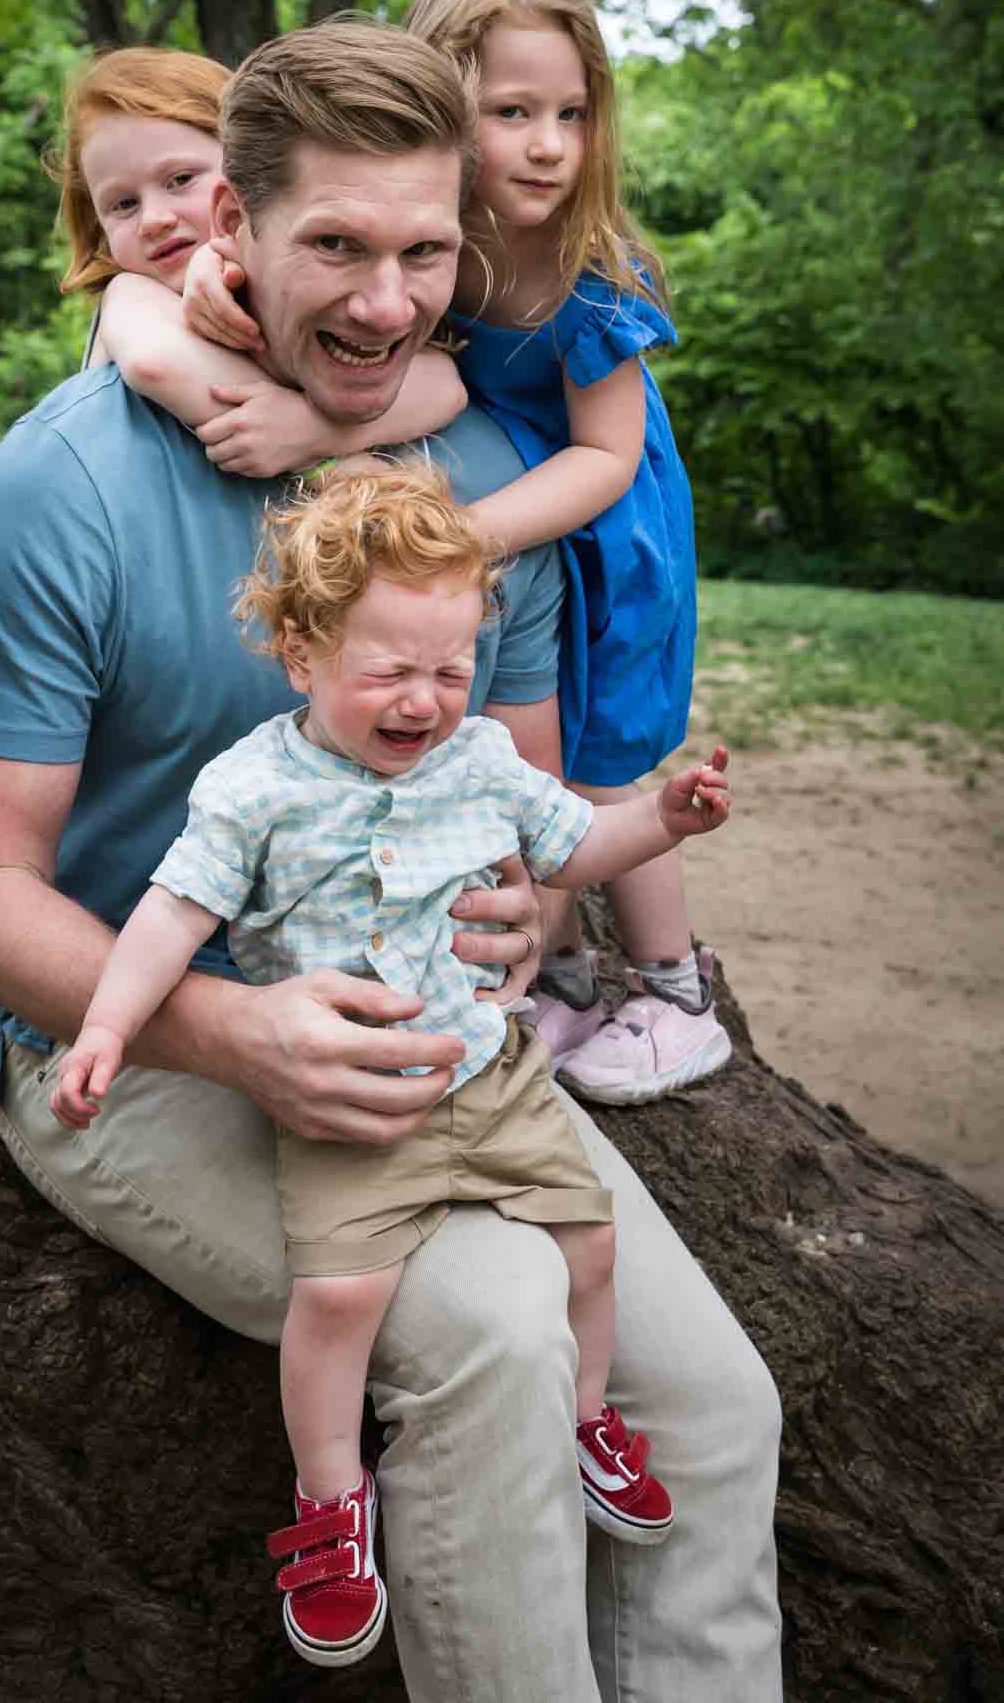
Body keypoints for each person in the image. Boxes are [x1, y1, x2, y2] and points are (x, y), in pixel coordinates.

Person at [0, 18, 783, 1702]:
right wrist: (231, 1030)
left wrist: (526, 913)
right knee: (488, 1332)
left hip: (433, 1044)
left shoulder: (474, 488)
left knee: (711, 1407)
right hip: (130, 1033)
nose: (384, 301)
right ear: (224, 233)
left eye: (419, 249)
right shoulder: (58, 487)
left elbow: (517, 818)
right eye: (332, 245)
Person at [53, 460, 734, 1666]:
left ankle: (586, 1422)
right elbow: (168, 915)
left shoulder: (476, 759)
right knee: (341, 1296)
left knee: (588, 1244)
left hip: (490, 1070)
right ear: (303, 653)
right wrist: (109, 1024)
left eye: (450, 668)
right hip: (353, 1101)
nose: (424, 699)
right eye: (388, 672)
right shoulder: (253, 788)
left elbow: (577, 844)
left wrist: (665, 818)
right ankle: (328, 1502)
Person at [401, 0, 731, 1105]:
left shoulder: (591, 273)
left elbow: (606, 454)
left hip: (611, 542)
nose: (548, 143)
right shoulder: (438, 250)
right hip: (531, 548)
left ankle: (673, 989)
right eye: (512, 112)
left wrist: (471, 533)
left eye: (571, 114)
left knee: (597, 763)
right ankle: (571, 973)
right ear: (444, 109)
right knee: (516, 755)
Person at [49, 44, 467, 474]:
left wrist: (314, 431)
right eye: (122, 204)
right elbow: (155, 364)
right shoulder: (132, 294)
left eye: (180, 180)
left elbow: (446, 387)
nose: (153, 220)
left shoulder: (277, 286)